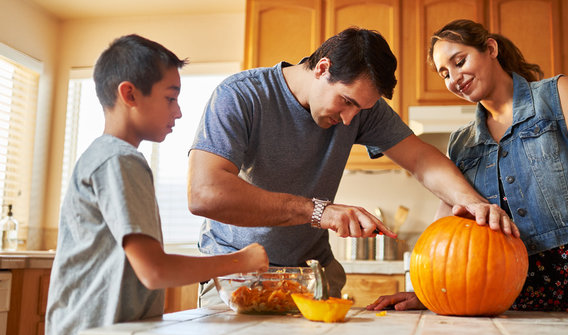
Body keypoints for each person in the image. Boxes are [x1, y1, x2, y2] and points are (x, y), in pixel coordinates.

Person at [188, 27, 519, 306]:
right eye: (346, 102)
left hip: (312, 281)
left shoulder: (360, 110)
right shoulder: (241, 96)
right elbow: (205, 194)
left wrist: (473, 202)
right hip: (234, 278)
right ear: (322, 68)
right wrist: (320, 212)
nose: (349, 120)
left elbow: (421, 159)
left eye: (360, 109)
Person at [367, 19, 568, 319]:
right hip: (515, 299)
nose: (453, 78)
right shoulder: (462, 143)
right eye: (444, 73)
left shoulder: (557, 96)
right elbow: (446, 227)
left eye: (459, 61)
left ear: (490, 48)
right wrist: (429, 290)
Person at [41, 35, 269, 335]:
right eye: (170, 98)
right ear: (129, 93)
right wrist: (240, 261)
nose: (178, 112)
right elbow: (154, 271)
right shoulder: (118, 160)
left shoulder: (107, 157)